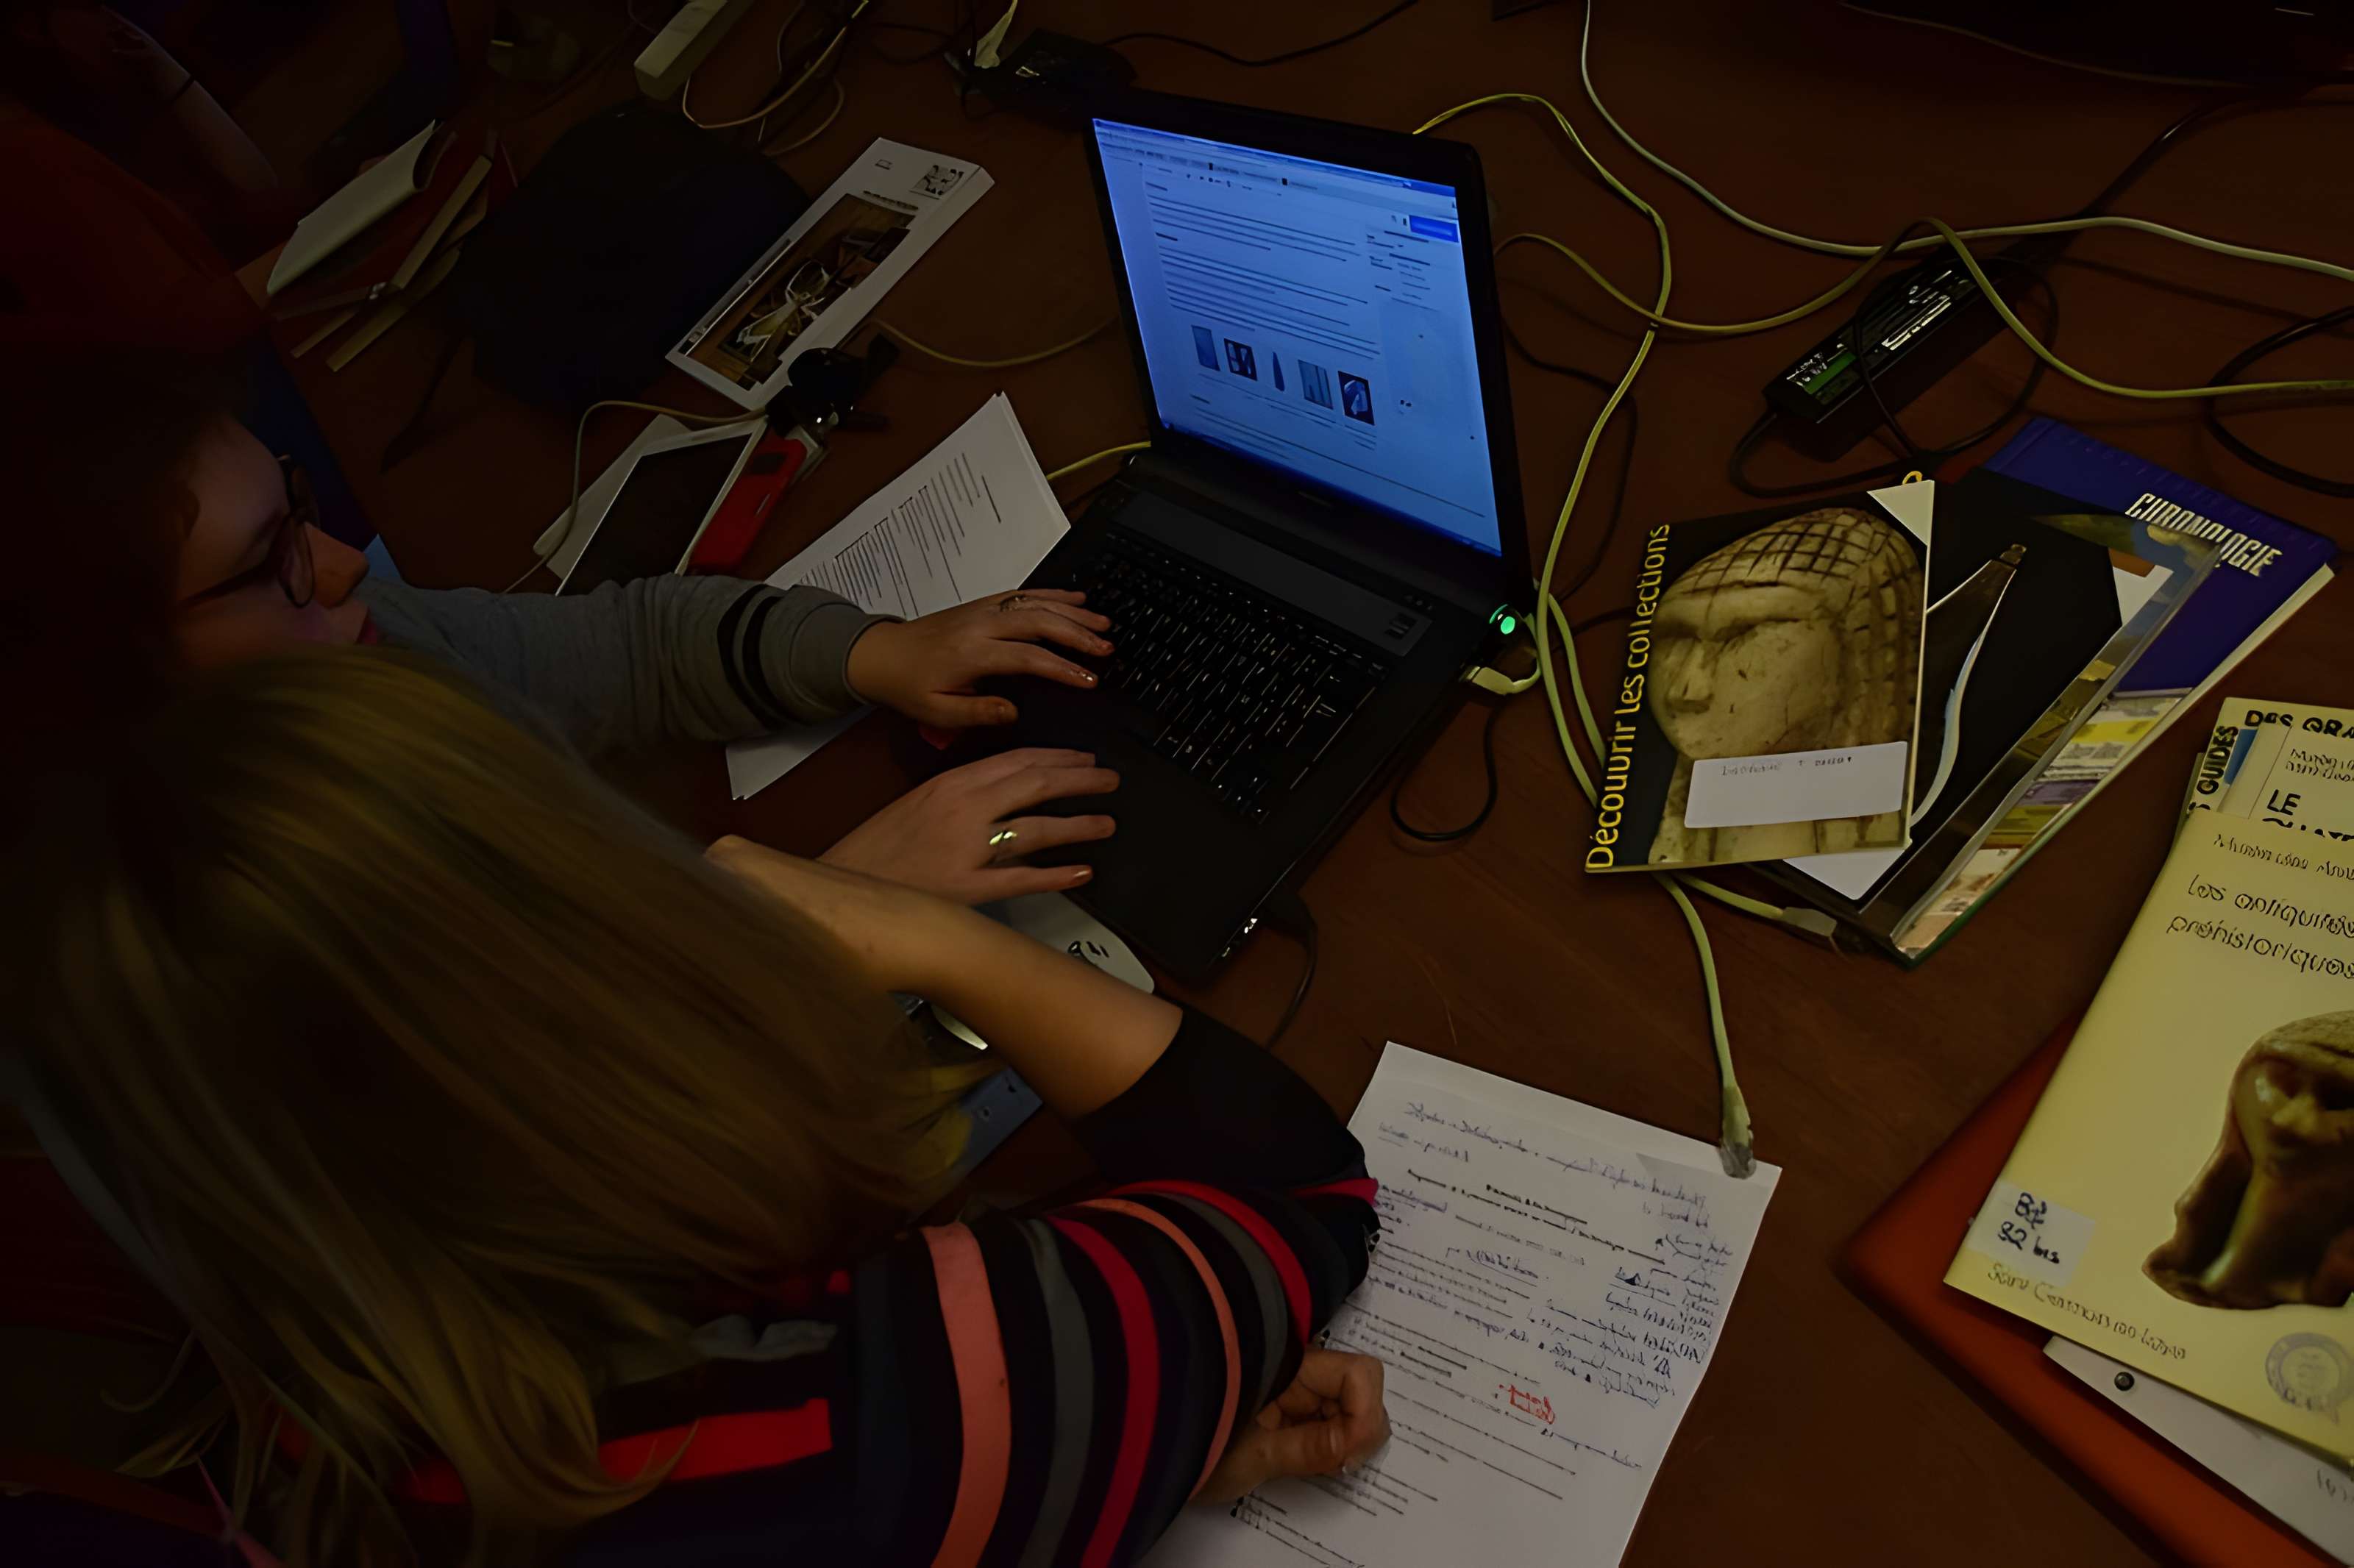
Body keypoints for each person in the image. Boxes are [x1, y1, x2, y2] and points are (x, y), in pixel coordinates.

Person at [4, 649, 1386, 1566]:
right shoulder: (868, 1411)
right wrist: (937, 940)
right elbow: (1302, 1193)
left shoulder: (278, 1441)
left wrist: (1119, 1434)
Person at [4, 354, 1120, 904]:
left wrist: (875, 650)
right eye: (269, 561)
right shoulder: (252, 938)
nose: (346, 565)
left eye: (299, 508)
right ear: (109, 679)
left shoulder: (359, 640)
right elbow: (622, 1137)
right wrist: (839, 908)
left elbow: (631, 651)